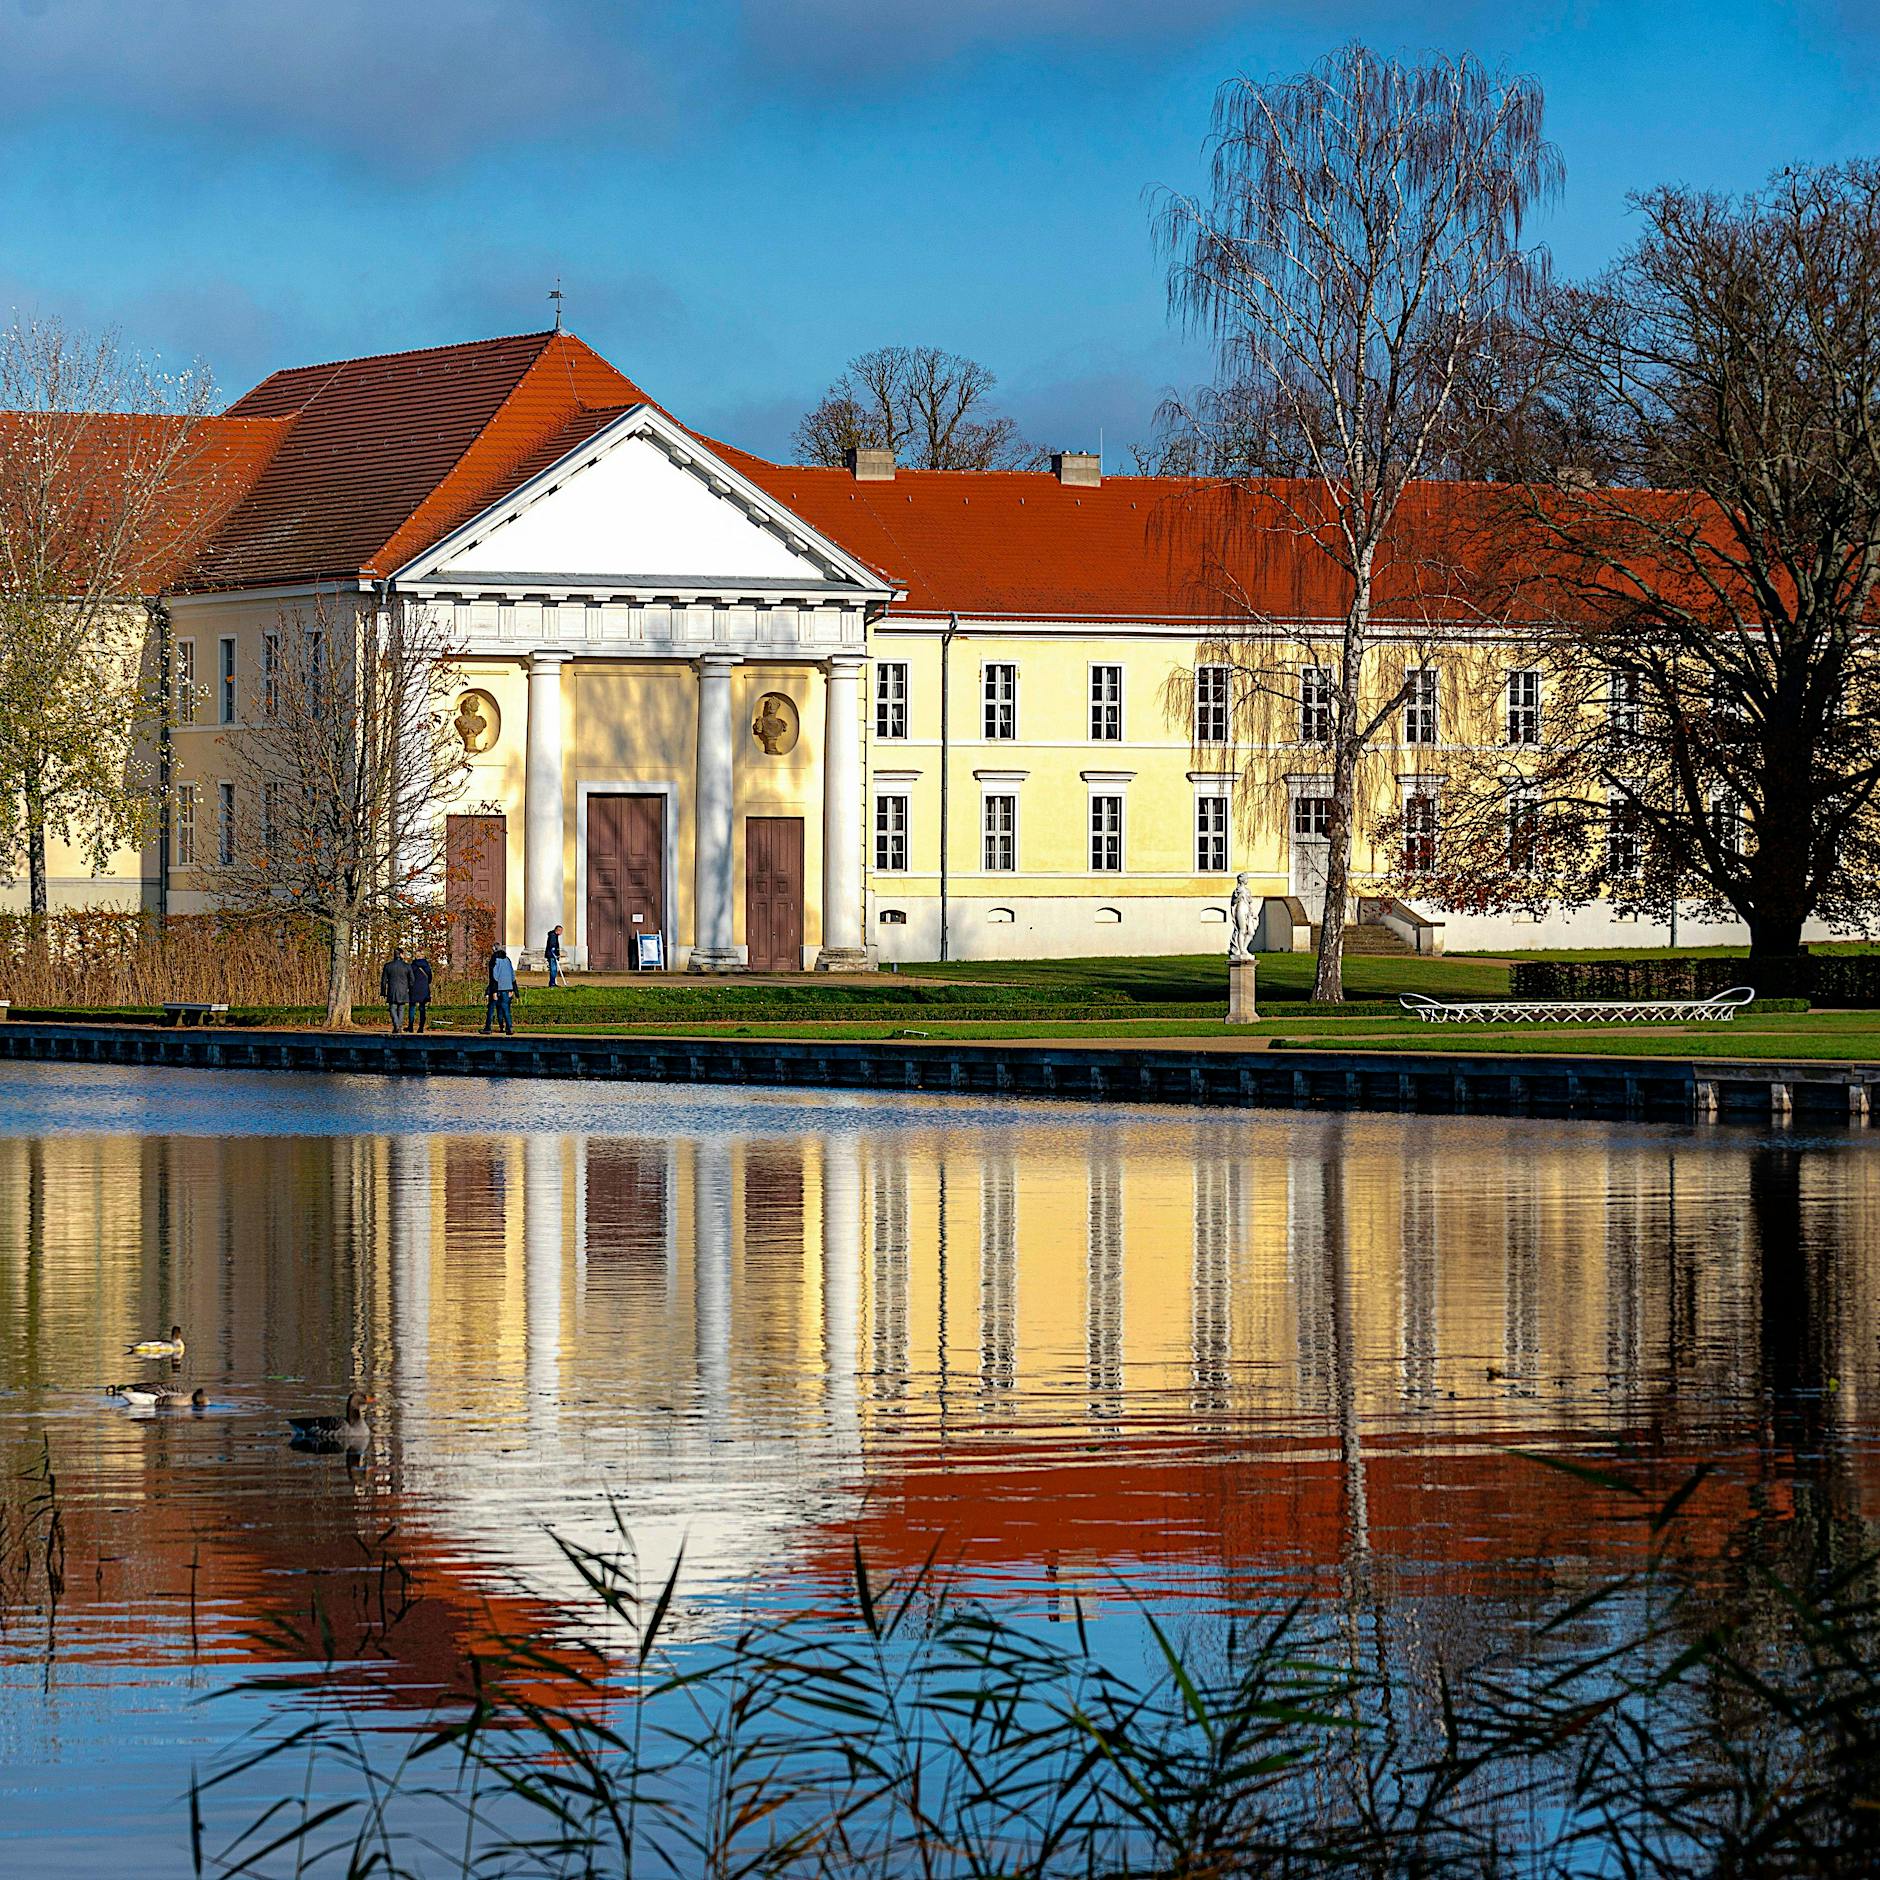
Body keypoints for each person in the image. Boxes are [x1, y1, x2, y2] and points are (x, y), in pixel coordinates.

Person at [483, 945, 517, 1036]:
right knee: (506, 1009)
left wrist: (493, 991)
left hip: (497, 988)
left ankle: (488, 1028)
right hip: (507, 988)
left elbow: (494, 976)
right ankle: (509, 1027)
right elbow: (512, 974)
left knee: (491, 1008)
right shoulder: (508, 959)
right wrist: (512, 989)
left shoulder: (494, 960)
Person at [379, 948, 412, 1034]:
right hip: (403, 990)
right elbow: (412, 979)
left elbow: (383, 980)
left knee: (392, 1008)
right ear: (401, 954)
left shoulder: (388, 966)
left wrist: (383, 991)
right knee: (401, 1009)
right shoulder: (407, 966)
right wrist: (409, 988)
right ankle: (399, 1026)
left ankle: (396, 1025)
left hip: (392, 990)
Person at [408, 952, 433, 1034]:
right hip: (424, 989)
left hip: (414, 988)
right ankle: (421, 1027)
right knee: (422, 1008)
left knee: (412, 1007)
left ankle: (410, 1026)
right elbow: (430, 978)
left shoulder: (412, 966)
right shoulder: (427, 966)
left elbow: (409, 977)